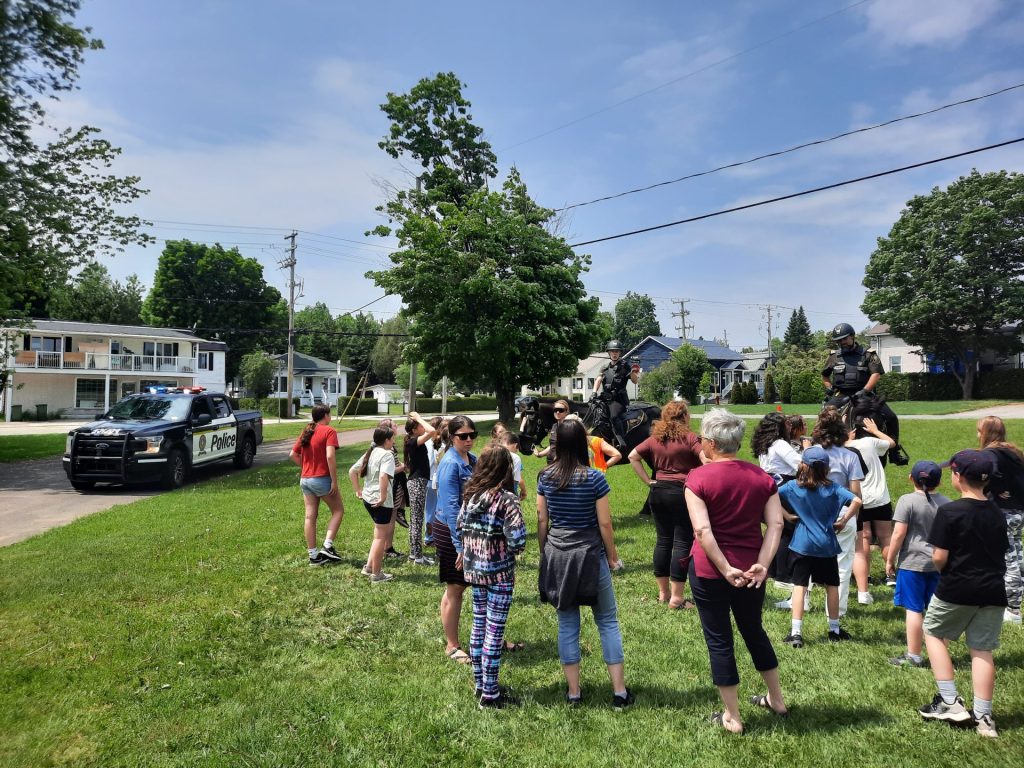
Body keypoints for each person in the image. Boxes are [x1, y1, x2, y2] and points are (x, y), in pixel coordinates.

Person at [684, 409, 787, 734]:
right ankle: (776, 700)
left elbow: (702, 531)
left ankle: (733, 716)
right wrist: (763, 563)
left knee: (719, 641)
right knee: (754, 630)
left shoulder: (698, 478)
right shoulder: (761, 477)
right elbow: (776, 523)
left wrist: (726, 568)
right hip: (752, 571)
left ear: (711, 443)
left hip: (710, 570)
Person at [537, 418, 633, 709]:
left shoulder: (545, 476)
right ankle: (619, 692)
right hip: (590, 554)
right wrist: (613, 556)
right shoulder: (594, 478)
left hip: (558, 553)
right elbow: (605, 523)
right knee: (607, 620)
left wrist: (545, 550)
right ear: (582, 443)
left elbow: (542, 519)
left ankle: (574, 693)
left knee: (567, 623)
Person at [918, 450, 1008, 739]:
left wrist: (943, 568)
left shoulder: (950, 512)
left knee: (932, 632)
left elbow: (939, 557)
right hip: (993, 589)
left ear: (957, 477)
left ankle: (949, 701)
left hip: (957, 586)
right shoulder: (997, 512)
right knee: (982, 649)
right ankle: (984, 718)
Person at [457, 444, 528, 709]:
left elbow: (460, 525)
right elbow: (518, 540)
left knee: (478, 626)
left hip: (474, 570)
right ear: (505, 468)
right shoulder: (506, 499)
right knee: (494, 632)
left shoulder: (470, 496)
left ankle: (480, 683)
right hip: (499, 573)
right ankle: (490, 695)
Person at [778, 446, 862, 647]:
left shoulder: (793, 487)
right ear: (826, 468)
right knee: (831, 586)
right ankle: (834, 629)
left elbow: (768, 493)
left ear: (803, 466)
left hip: (802, 545)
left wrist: (786, 515)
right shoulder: (833, 488)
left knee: (800, 586)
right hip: (827, 545)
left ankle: (796, 632)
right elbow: (857, 500)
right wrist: (843, 520)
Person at [628, 399, 706, 609]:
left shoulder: (655, 438)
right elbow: (706, 459)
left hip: (658, 491)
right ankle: (677, 598)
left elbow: (632, 456)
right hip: (682, 492)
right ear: (685, 417)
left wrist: (647, 480)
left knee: (663, 541)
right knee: (682, 542)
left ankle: (663, 593)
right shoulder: (689, 437)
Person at [885, 461, 950, 668]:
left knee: (914, 609)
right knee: (937, 610)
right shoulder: (947, 503)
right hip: (940, 564)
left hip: (912, 563)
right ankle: (939, 654)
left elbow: (898, 534)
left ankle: (914, 655)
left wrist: (890, 560)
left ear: (911, 478)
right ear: (939, 482)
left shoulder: (907, 501)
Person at [821, 322, 901, 463]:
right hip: (842, 395)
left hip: (865, 394)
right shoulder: (834, 356)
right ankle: (822, 449)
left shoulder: (867, 354)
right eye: (839, 340)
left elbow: (876, 374)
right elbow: (825, 375)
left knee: (891, 417)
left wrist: (864, 391)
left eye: (844, 338)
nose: (842, 342)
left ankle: (894, 452)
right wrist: (829, 388)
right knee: (823, 417)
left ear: (852, 336)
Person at [812, 406, 865, 616]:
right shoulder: (850, 456)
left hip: (814, 512)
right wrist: (853, 517)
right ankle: (837, 611)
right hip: (843, 512)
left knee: (808, 561)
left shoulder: (810, 454)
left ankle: (802, 599)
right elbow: (855, 493)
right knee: (842, 565)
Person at [434, 415, 478, 663]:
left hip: (467, 528)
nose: (469, 439)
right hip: (451, 530)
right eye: (463, 436)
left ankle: (482, 637)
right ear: (451, 437)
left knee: (462, 586)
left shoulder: (471, 460)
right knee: (456, 587)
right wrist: (459, 544)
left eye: (472, 435)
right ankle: (452, 645)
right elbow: (451, 506)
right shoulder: (451, 463)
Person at [751, 413, 802, 604]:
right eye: (787, 424)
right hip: (785, 488)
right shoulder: (780, 444)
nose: (790, 427)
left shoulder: (766, 444)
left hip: (770, 487)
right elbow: (799, 465)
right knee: (786, 531)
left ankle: (772, 569)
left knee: (775, 530)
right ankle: (783, 573)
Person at [977, 416, 1024, 624]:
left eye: (979, 431)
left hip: (1003, 513)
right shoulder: (1012, 450)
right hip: (1018, 511)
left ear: (986, 433)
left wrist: (997, 489)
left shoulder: (990, 453)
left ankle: (1013, 609)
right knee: (1016, 553)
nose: (977, 434)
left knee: (1008, 558)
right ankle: (1010, 601)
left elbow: (989, 473)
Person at [848, 417, 897, 602]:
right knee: (886, 536)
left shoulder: (843, 448)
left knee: (864, 537)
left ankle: (864, 576)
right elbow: (891, 443)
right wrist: (875, 430)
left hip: (859, 498)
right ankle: (890, 574)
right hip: (880, 497)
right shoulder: (869, 442)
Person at [288, 404, 344, 566]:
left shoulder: (308, 430)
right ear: (326, 415)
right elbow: (330, 457)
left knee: (310, 516)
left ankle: (313, 556)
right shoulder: (329, 431)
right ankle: (327, 546)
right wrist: (334, 480)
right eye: (330, 414)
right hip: (322, 478)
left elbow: (293, 454)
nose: (331, 417)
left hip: (306, 480)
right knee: (338, 510)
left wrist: (306, 467)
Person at [349, 425, 397, 583]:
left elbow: (352, 471)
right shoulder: (387, 454)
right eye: (393, 439)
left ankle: (369, 567)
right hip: (380, 501)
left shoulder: (371, 452)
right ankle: (377, 575)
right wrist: (383, 497)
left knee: (378, 534)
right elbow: (384, 476)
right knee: (380, 539)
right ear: (386, 440)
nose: (394, 442)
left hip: (368, 499)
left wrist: (358, 490)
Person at [591, 340, 639, 450]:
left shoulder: (625, 366)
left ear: (620, 353)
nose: (614, 353)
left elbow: (635, 381)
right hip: (604, 398)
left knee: (613, 416)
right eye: (612, 351)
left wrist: (632, 372)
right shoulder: (604, 367)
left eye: (617, 351)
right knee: (592, 411)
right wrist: (594, 392)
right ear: (609, 353)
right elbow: (598, 379)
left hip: (618, 400)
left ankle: (621, 442)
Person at [404, 411, 437, 566]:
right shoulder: (413, 441)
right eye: (419, 426)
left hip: (418, 481)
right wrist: (419, 418)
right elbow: (432, 431)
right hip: (417, 482)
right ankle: (418, 556)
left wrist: (419, 420)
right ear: (414, 430)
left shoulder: (414, 441)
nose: (422, 427)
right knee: (417, 520)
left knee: (416, 519)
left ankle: (413, 554)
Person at [424, 416, 448, 547]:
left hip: (434, 480)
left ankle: (434, 536)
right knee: (431, 510)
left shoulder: (439, 444)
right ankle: (429, 537)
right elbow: (429, 462)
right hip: (431, 480)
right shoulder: (432, 444)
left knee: (435, 509)